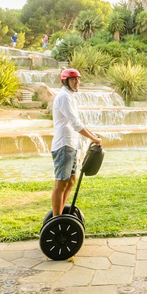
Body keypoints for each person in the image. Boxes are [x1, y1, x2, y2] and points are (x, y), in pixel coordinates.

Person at [50, 68, 102, 217]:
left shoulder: (70, 96)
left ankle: (60, 215)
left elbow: (77, 122)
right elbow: (75, 123)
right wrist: (93, 138)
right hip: (64, 145)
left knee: (71, 181)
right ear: (65, 81)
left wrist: (93, 136)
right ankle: (56, 219)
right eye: (73, 79)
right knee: (61, 183)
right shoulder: (64, 97)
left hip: (71, 145)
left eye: (78, 79)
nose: (77, 82)